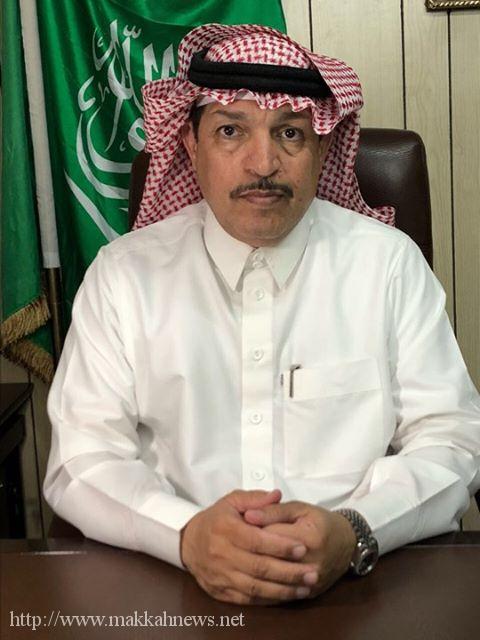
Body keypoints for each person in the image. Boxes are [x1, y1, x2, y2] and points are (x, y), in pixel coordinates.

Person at [44, 23, 480, 606]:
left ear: (322, 147)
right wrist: (186, 535)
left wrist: (354, 529)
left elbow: (452, 437)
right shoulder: (123, 277)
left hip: (362, 585)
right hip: (173, 588)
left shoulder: (388, 265)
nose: (263, 162)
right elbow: (82, 459)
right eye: (231, 131)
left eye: (290, 133)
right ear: (190, 144)